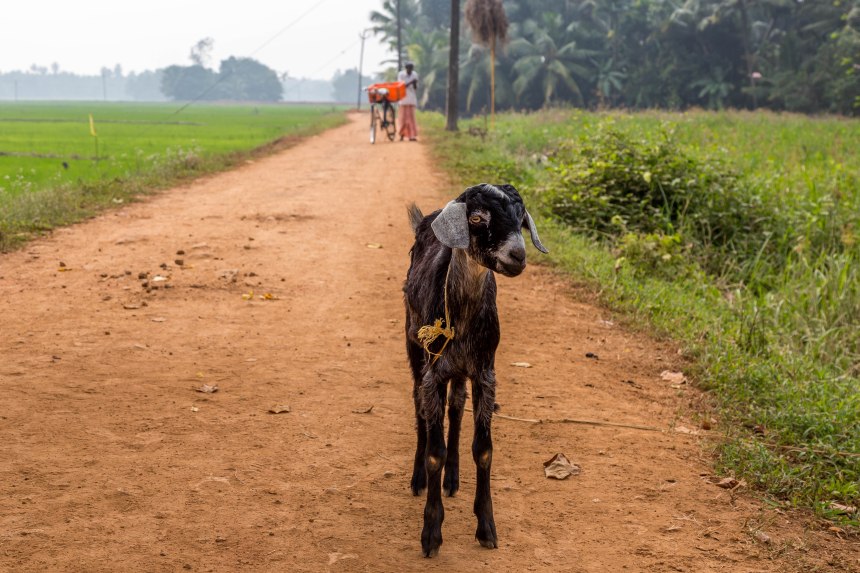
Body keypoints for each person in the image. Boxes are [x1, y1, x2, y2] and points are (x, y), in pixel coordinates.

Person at [397, 61, 419, 141]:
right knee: (403, 118)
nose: (410, 70)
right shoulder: (401, 74)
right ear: (406, 68)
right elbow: (401, 86)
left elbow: (416, 88)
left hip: (411, 99)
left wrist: (415, 83)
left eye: (411, 68)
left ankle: (411, 135)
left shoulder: (414, 74)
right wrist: (411, 82)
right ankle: (402, 135)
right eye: (408, 68)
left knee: (411, 118)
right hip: (403, 99)